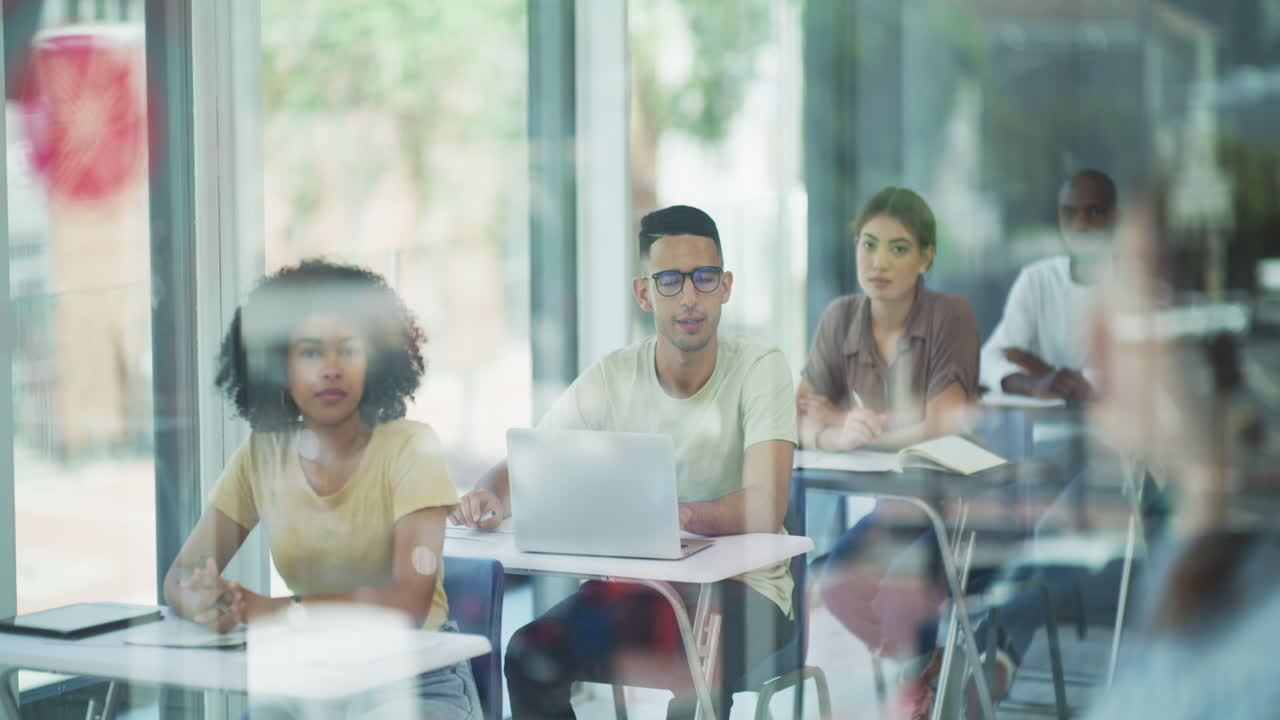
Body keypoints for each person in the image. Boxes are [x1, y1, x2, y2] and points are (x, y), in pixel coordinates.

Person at [450, 205, 798, 720]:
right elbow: (533, 462)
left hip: (747, 595)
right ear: (644, 293)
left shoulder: (760, 367)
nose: (689, 297)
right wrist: (487, 492)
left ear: (725, 286)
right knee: (529, 656)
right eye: (670, 281)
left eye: (703, 279)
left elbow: (765, 507)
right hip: (639, 594)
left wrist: (676, 516)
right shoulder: (615, 375)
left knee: (692, 679)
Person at [162, 259, 479, 719]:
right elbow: (179, 576)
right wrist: (203, 601)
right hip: (307, 678)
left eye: (348, 350)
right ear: (277, 367)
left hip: (416, 678)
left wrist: (271, 611)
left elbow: (407, 603)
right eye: (310, 353)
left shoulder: (412, 447)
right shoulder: (261, 453)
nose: (332, 369)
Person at [980, 169, 1118, 403]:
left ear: (1116, 220)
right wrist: (1034, 383)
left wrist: (1046, 370)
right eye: (1069, 213)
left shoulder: (1137, 287)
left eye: (1094, 212)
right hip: (1046, 430)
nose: (1080, 224)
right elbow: (988, 360)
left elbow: (1134, 376)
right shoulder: (1037, 280)